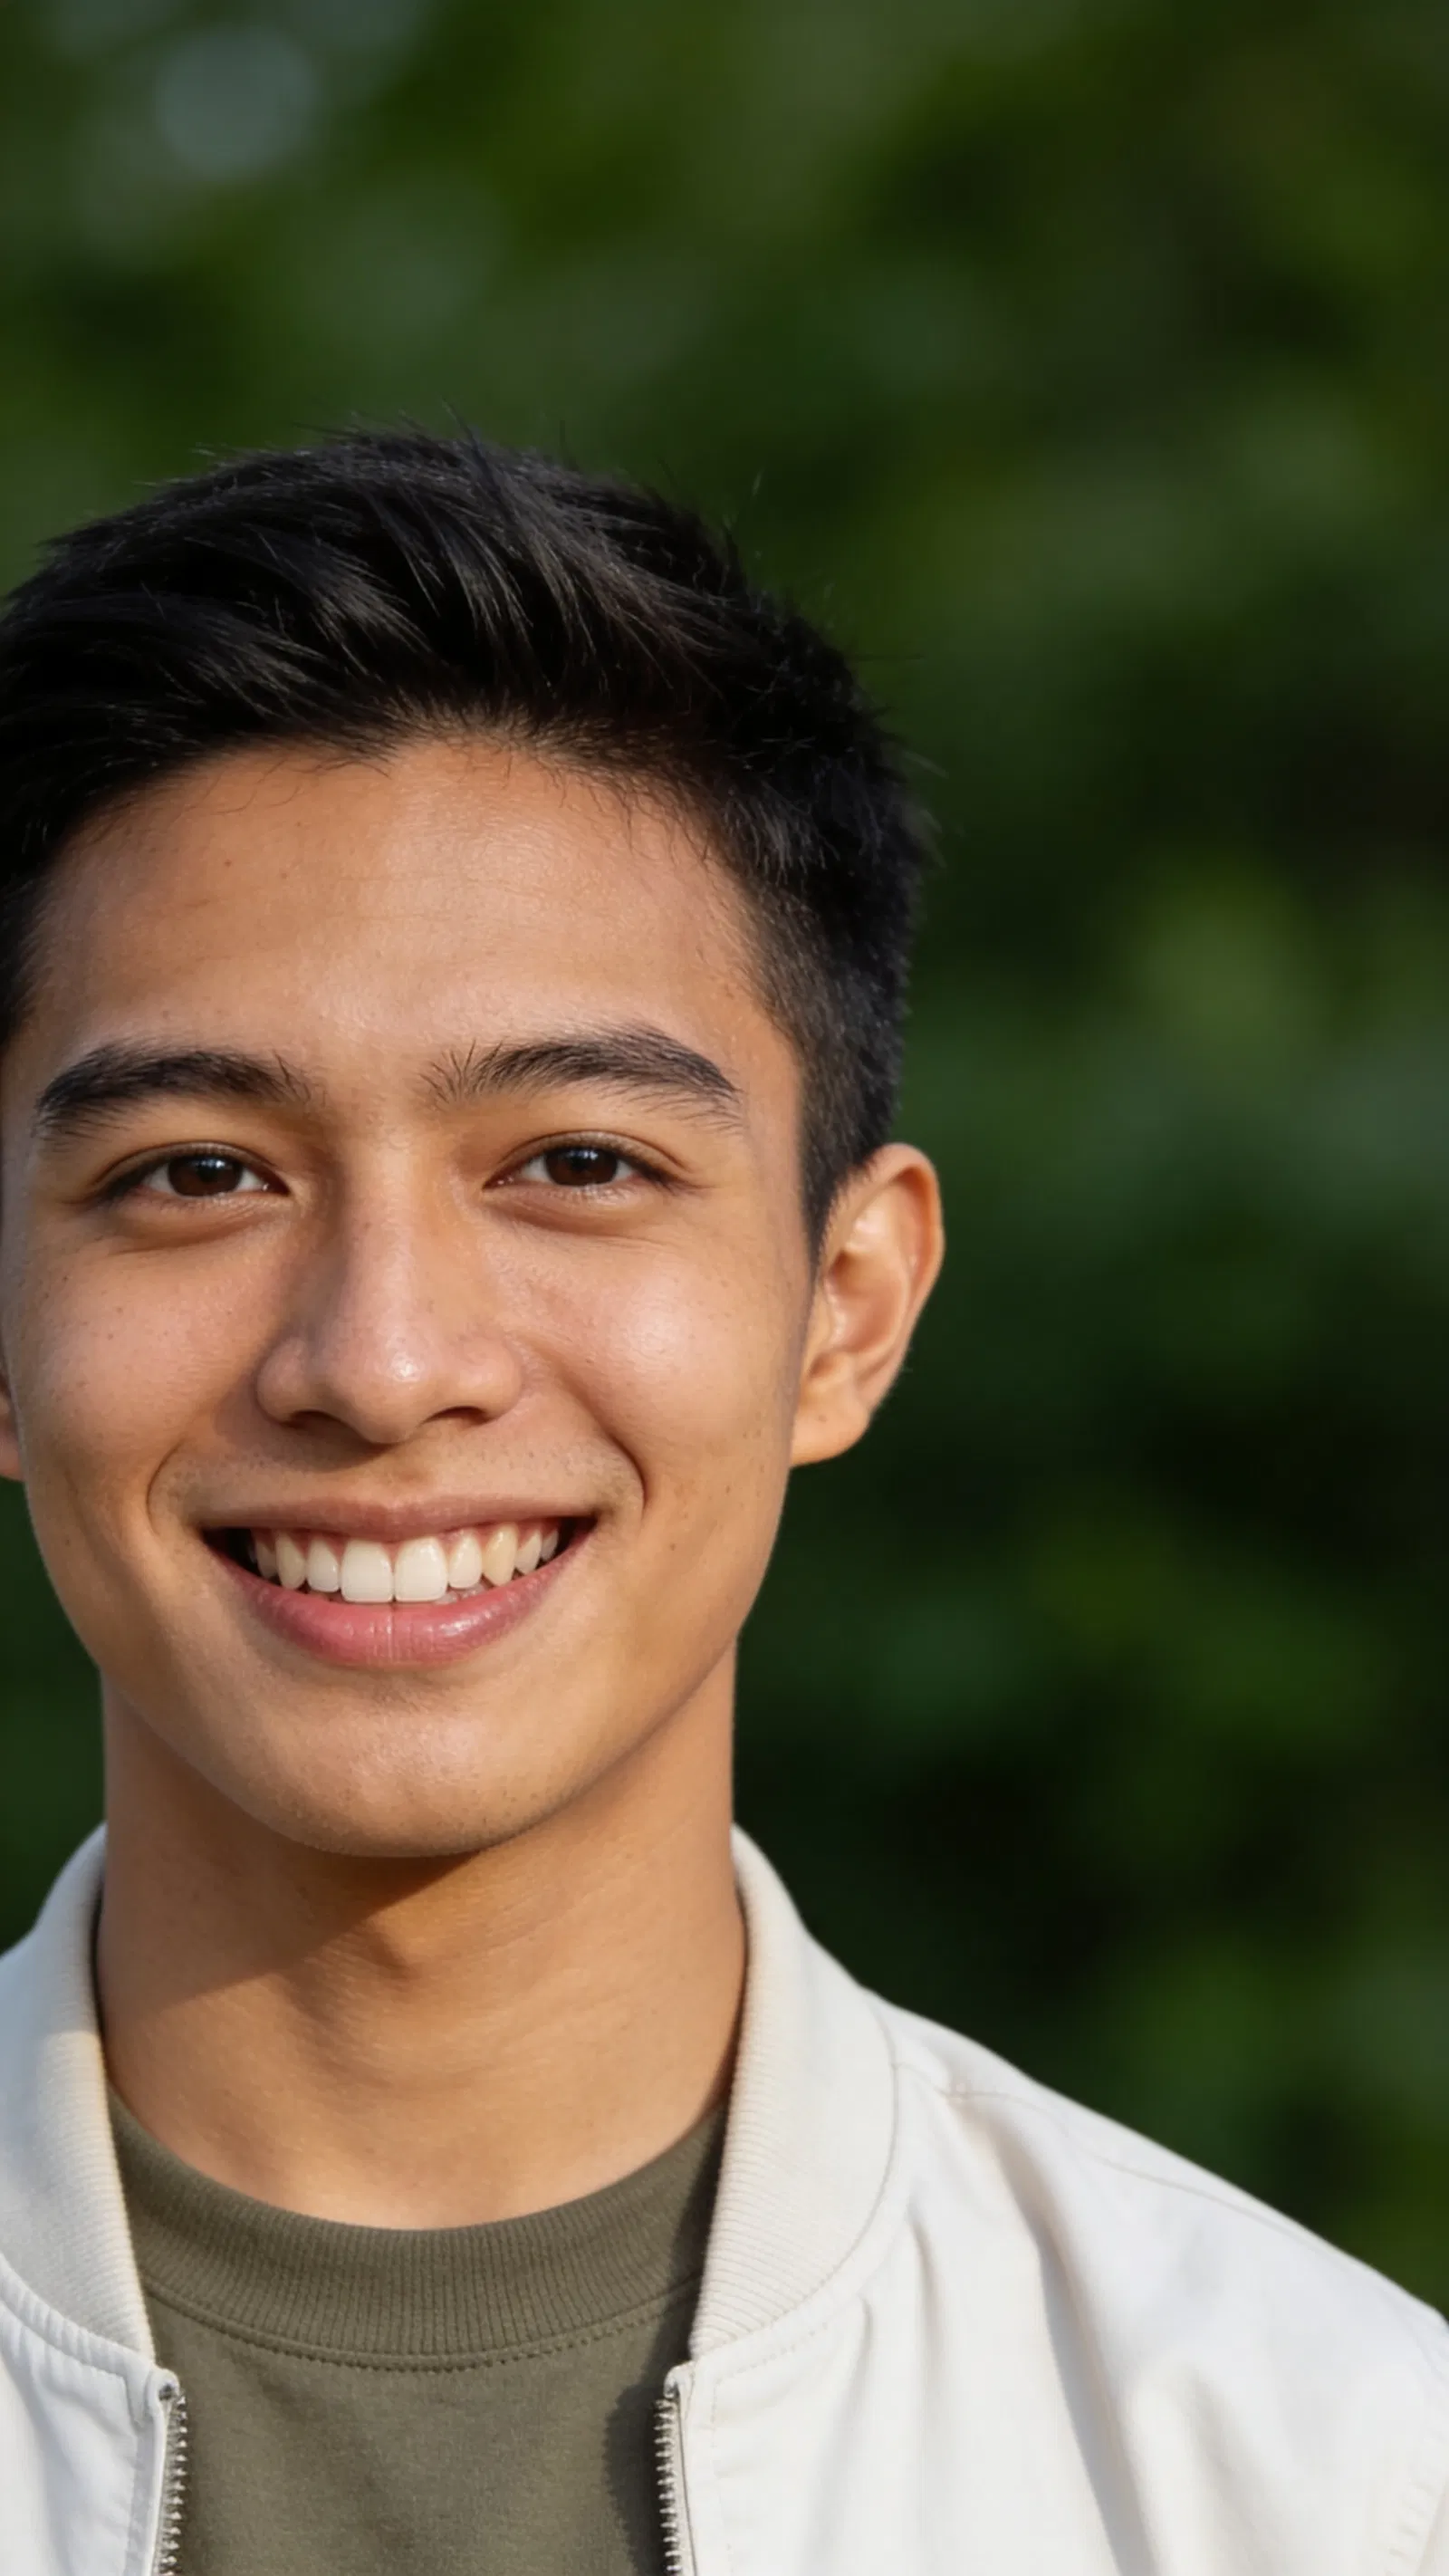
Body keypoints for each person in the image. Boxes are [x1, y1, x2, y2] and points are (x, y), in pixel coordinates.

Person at [0, 431, 1441, 2576]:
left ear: (845, 1309)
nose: (382, 1362)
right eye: (197, 1172)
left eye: (576, 1163)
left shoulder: (1316, 2482)